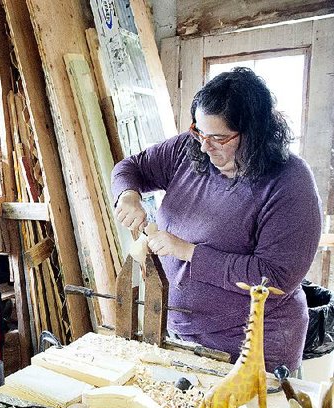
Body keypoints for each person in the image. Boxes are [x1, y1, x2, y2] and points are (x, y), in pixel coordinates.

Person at [112, 67, 321, 373]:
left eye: (219, 138)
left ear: (254, 134)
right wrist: (128, 196)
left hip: (254, 344)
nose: (204, 146)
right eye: (200, 132)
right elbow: (130, 168)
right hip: (183, 330)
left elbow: (275, 278)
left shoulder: (290, 182)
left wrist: (187, 251)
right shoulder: (190, 148)